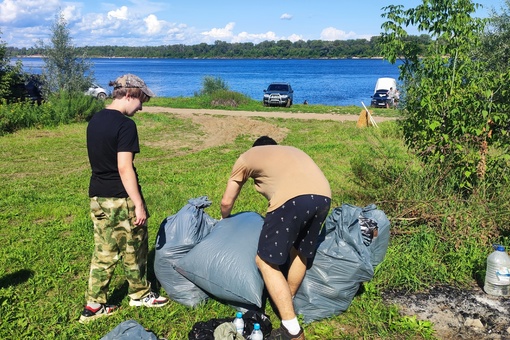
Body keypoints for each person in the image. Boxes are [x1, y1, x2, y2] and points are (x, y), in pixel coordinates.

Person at [220, 136, 331, 340]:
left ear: (256, 150)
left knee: (265, 261)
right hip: (324, 197)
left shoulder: (247, 157)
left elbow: (227, 201)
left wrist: (223, 220)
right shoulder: (290, 151)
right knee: (299, 253)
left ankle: (292, 330)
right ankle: (287, 304)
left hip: (293, 200)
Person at [80, 74, 168, 324]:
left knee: (104, 251)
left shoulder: (95, 120)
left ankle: (94, 305)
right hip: (120, 198)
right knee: (134, 247)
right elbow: (124, 168)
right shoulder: (125, 125)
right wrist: (138, 204)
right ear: (129, 95)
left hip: (98, 197)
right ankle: (139, 294)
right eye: (141, 100)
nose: (141, 107)